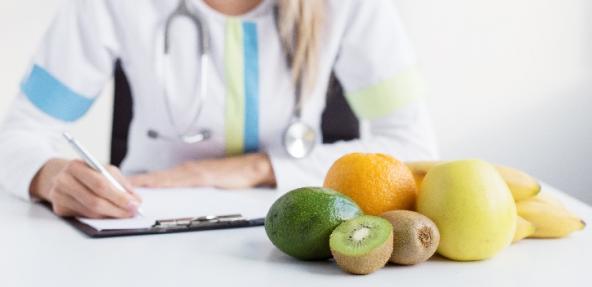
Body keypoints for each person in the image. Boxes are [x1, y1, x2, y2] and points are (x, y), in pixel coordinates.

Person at [0, 0, 438, 219]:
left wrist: (257, 168)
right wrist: (49, 175)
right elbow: (17, 134)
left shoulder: (354, 7)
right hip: (141, 230)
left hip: (294, 240)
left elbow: (415, 146)